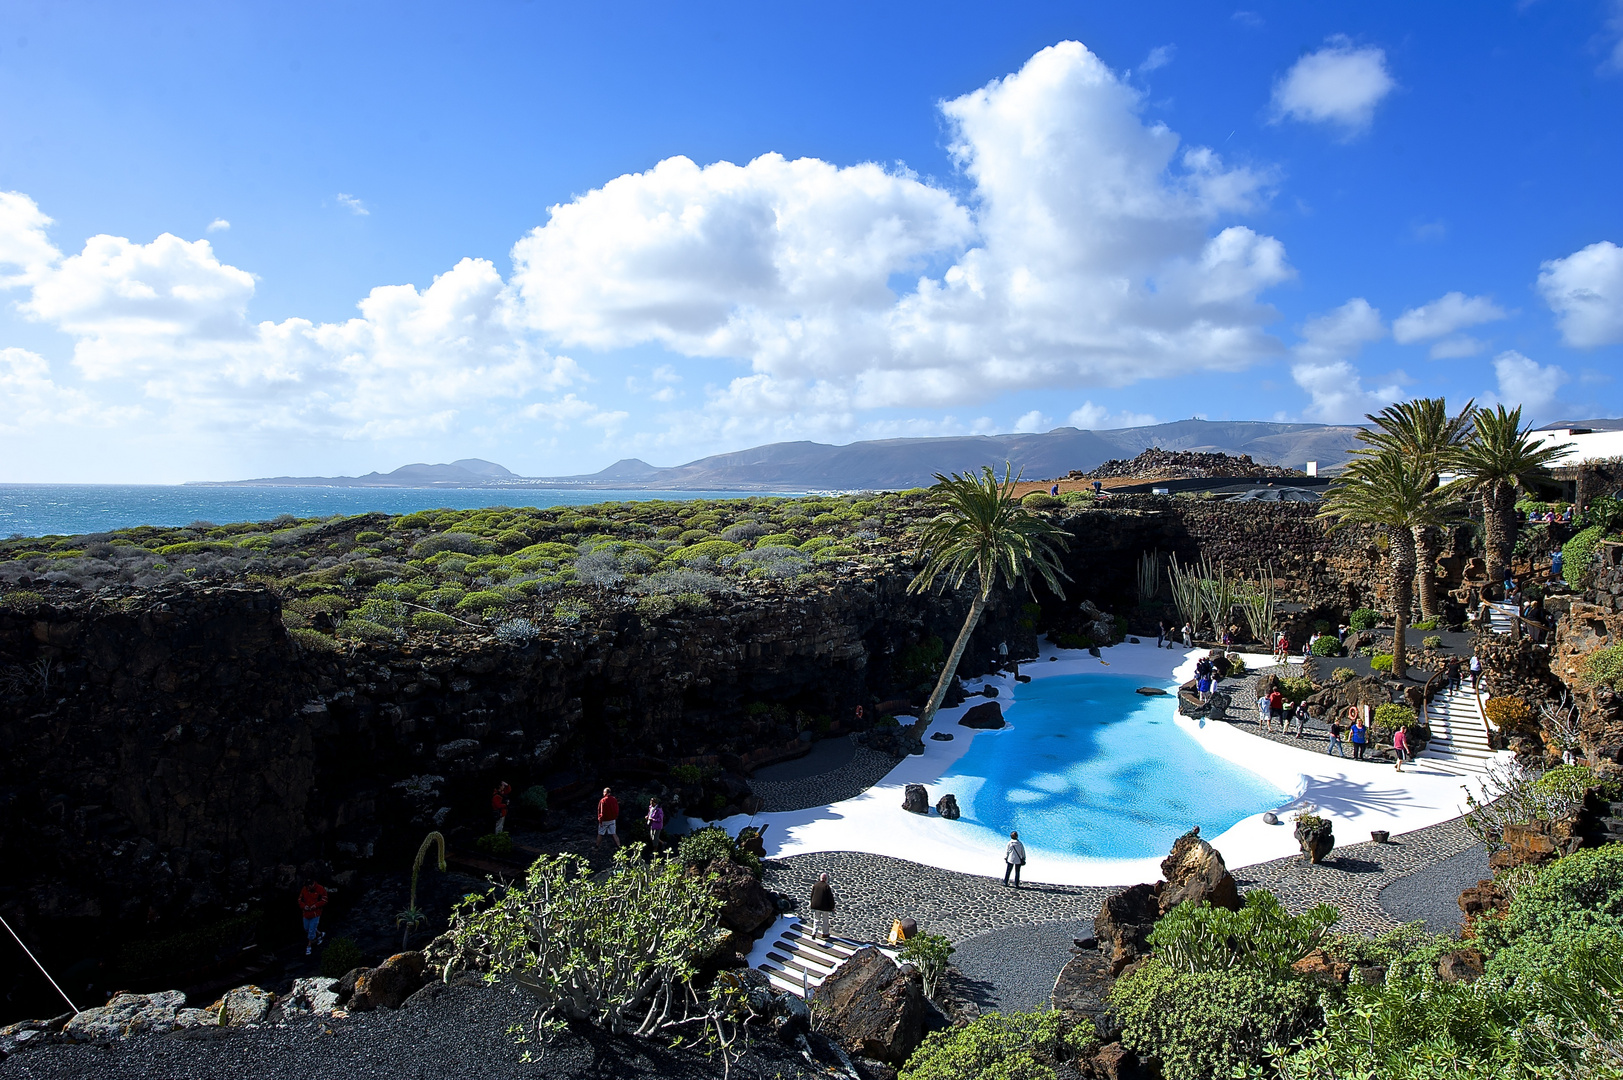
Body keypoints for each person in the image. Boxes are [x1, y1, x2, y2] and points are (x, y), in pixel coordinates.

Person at [298, 878, 329, 957]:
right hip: (306, 913)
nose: (308, 888)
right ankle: (320, 934)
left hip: (315, 914)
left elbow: (324, 900)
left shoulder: (320, 889)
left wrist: (315, 906)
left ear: (312, 884)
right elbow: (300, 899)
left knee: (311, 931)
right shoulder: (304, 889)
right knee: (306, 928)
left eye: (309, 886)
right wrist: (304, 906)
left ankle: (309, 946)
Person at [808, 873, 837, 940]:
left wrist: (812, 904)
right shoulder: (826, 886)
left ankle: (814, 933)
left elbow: (812, 895)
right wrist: (832, 907)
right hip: (825, 907)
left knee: (816, 920)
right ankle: (825, 933)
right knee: (825, 921)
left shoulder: (815, 885)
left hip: (816, 906)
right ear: (826, 879)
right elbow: (830, 898)